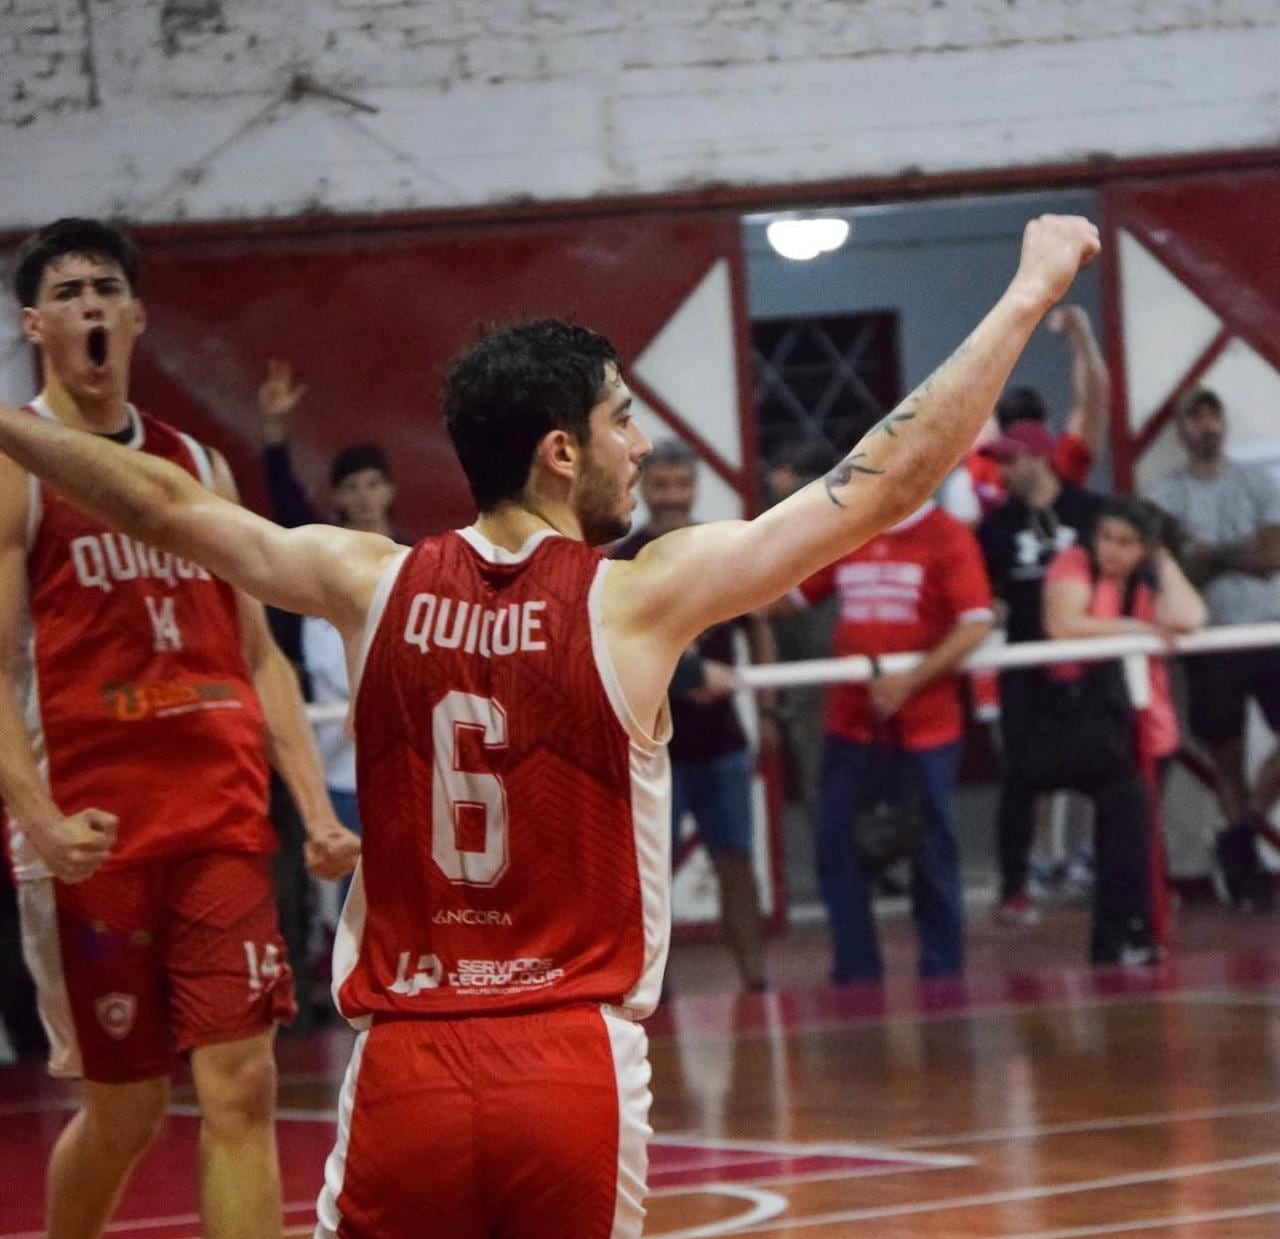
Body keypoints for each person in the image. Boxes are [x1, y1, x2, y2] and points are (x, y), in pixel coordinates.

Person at [0, 215, 1101, 1238]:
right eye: (619, 417)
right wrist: (1025, 292)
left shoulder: (362, 580)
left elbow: (164, 506)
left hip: (404, 1068)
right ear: (559, 452)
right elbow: (877, 481)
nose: (637, 443)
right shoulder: (637, 597)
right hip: (568, 1059)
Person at [0, 218, 360, 1239]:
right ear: (34, 323)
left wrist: (310, 815)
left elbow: (258, 656)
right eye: (66, 293)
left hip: (220, 825)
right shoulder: (18, 464)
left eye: (106, 289)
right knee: (127, 1109)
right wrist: (36, 817)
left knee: (242, 1089)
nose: (90, 307)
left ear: (138, 315)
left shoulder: (198, 463)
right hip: (94, 839)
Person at [787, 497, 995, 982]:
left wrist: (911, 680)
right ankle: (855, 971)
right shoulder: (850, 529)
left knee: (932, 850)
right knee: (837, 846)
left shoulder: (948, 536)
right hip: (850, 724)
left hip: (926, 728)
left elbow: (976, 624)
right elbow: (791, 596)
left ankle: (942, 972)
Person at [613, 438, 774, 993]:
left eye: (682, 485)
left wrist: (769, 710)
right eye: (661, 486)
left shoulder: (723, 546)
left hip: (722, 742)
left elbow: (759, 624)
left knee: (736, 862)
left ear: (696, 487)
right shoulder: (624, 559)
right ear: (642, 490)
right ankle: (656, 987)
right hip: (653, 747)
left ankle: (755, 979)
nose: (673, 497)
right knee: (648, 877)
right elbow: (613, 646)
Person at [1043, 496, 1207, 962]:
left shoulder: (1151, 573)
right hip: (1094, 727)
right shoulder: (1073, 563)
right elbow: (1065, 625)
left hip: (1152, 725)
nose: (1112, 550)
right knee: (1122, 835)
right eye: (1106, 538)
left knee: (1137, 835)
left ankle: (1130, 934)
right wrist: (1138, 628)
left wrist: (1164, 561)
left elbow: (1189, 619)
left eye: (1127, 543)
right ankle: (1116, 937)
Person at [1148, 387, 1280, 909]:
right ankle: (1243, 853)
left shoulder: (1255, 480)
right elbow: (1176, 567)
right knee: (1226, 754)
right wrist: (1238, 554)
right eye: (1194, 417)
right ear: (1181, 429)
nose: (1205, 424)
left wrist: (1211, 556)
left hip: (1269, 628)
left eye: (1212, 413)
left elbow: (1273, 555)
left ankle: (1239, 835)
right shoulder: (1166, 493)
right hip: (1209, 638)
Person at [976, 419, 1104, 925]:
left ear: (1039, 458)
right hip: (1026, 663)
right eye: (999, 461)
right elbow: (981, 593)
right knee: (1019, 777)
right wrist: (990, 609)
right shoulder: (995, 527)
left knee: (1106, 767)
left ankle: (1110, 871)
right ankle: (1014, 886)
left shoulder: (1088, 511)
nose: (1002, 471)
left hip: (1088, 660)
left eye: (1011, 460)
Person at [962, 303, 1109, 515]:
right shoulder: (1059, 464)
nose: (1006, 469)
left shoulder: (985, 466)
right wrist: (1080, 333)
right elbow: (1093, 403)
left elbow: (976, 402)